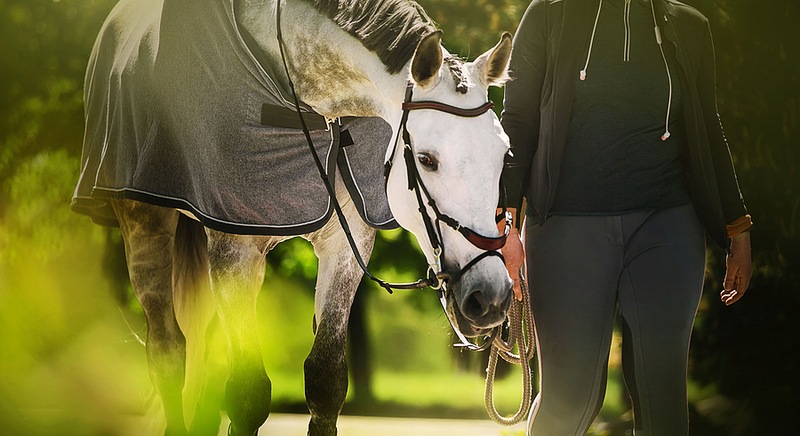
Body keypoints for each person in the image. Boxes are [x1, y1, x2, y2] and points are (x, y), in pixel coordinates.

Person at [498, 0, 752, 434]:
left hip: (666, 227)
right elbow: (517, 121)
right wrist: (504, 225)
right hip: (564, 227)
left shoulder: (688, 26)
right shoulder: (549, 14)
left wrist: (737, 226)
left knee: (663, 400)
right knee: (569, 398)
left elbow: (709, 127)